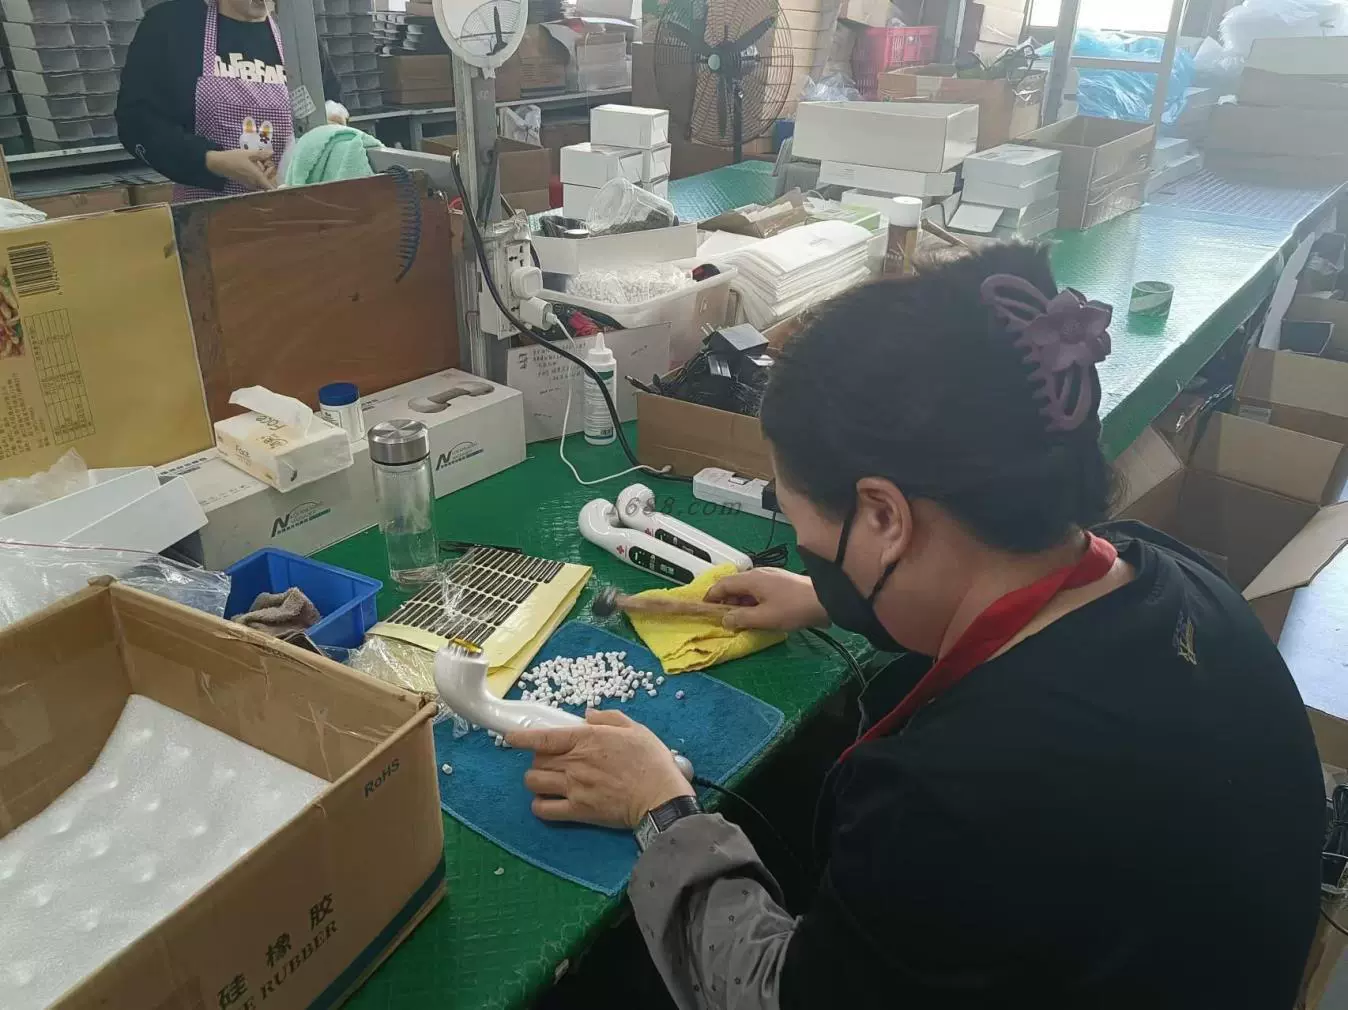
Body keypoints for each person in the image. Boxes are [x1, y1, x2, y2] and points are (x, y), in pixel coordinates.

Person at [508, 243, 1326, 1008]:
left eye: (804, 528)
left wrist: (659, 808)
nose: (808, 550)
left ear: (884, 517)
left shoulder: (947, 803)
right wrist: (830, 595)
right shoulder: (1180, 581)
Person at [116, 0, 345, 199]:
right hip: (208, 216)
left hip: (299, 212)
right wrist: (212, 161)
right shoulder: (172, 26)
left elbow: (328, 104)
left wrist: (331, 127)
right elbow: (138, 124)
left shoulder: (295, 31)